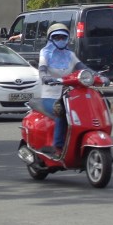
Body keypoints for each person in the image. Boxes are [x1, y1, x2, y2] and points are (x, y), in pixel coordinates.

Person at [38, 23, 87, 159]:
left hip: (70, 96)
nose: (60, 40)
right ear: (50, 39)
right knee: (62, 112)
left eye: (63, 37)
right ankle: (58, 147)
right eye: (57, 37)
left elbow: (82, 68)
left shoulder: (70, 55)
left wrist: (98, 76)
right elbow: (42, 69)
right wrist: (45, 77)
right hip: (50, 97)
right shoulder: (45, 53)